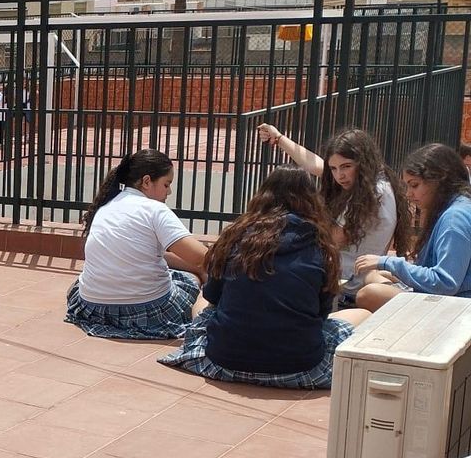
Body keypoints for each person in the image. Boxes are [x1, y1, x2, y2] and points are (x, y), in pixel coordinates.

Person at [160, 169, 370, 390]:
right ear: (311, 200)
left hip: (226, 358)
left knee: (204, 299)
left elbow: (213, 295)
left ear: (262, 196)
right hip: (299, 364)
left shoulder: (235, 236)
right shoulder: (321, 244)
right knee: (363, 314)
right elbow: (322, 313)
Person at [66, 149, 209, 339]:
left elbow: (143, 253)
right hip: (146, 311)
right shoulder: (155, 210)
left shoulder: (108, 205)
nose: (169, 192)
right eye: (166, 184)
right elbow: (202, 257)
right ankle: (202, 324)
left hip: (94, 306)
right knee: (192, 281)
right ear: (147, 181)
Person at [257, 124, 408, 303]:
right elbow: (316, 166)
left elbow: (332, 238)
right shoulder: (375, 180)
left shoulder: (372, 194)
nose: (339, 176)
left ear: (363, 162)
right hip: (350, 277)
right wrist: (280, 138)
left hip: (350, 285)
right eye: (334, 169)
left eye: (346, 167)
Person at [355, 143, 471, 311]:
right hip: (449, 298)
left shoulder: (455, 218)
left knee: (368, 294)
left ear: (439, 181)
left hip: (456, 307)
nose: (409, 194)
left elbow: (446, 283)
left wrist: (390, 263)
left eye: (414, 185)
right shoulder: (452, 207)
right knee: (373, 276)